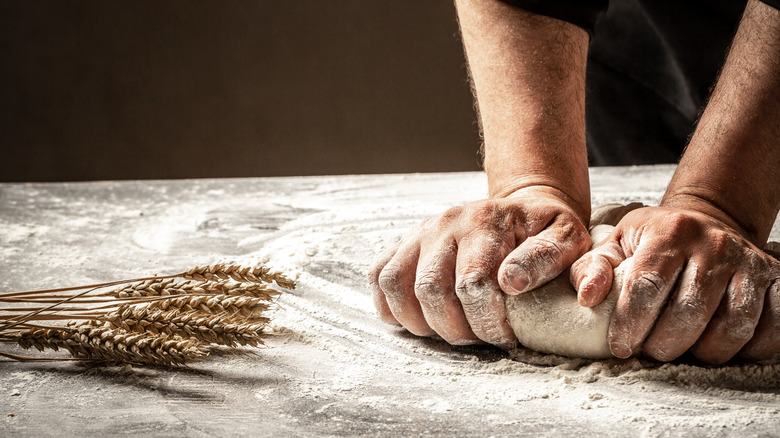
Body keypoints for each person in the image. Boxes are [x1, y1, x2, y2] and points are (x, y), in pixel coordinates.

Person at [368, 0, 780, 364]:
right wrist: (534, 185)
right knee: (661, 280)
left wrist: (718, 204)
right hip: (637, 51)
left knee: (695, 283)